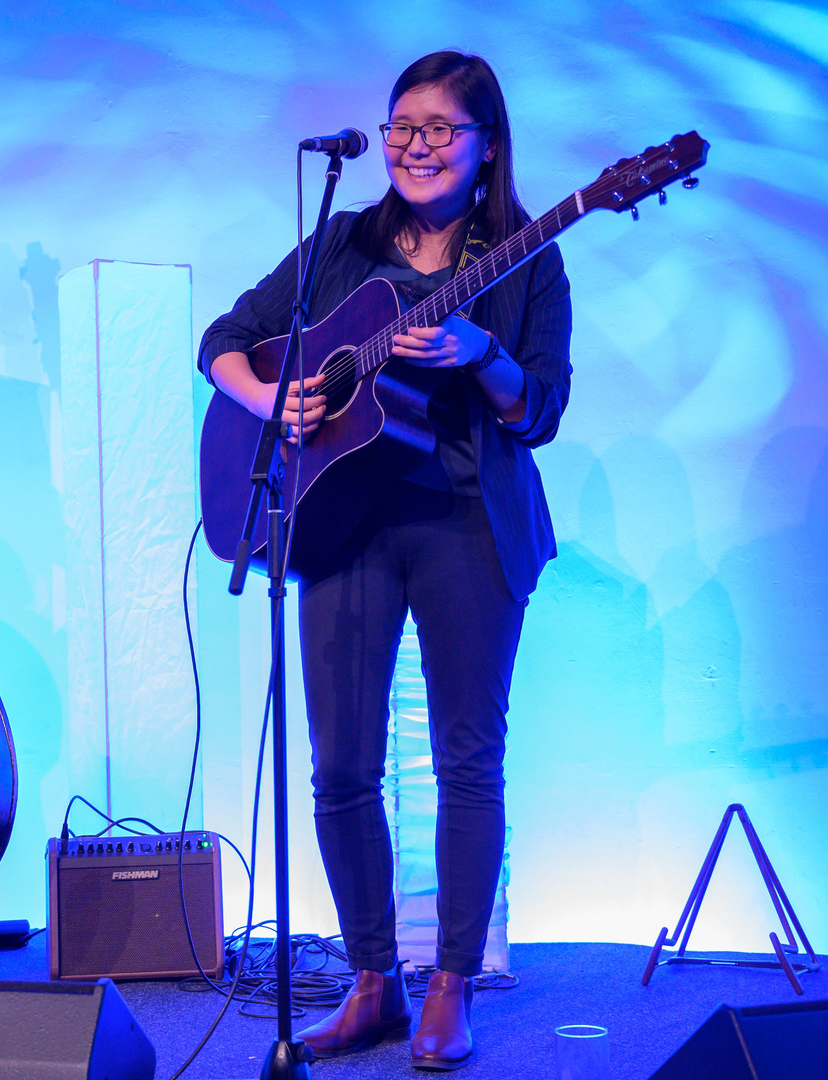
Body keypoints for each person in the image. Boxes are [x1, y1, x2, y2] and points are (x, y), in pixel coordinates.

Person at [199, 51, 571, 1069]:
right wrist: (271, 400)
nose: (412, 142)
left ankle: (450, 983)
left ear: (486, 143)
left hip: (466, 521)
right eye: (400, 123)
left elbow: (540, 406)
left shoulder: (527, 254)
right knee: (340, 768)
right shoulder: (344, 243)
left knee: (465, 759)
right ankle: (376, 982)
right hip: (340, 521)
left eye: (438, 127)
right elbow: (226, 338)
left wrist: (479, 356)